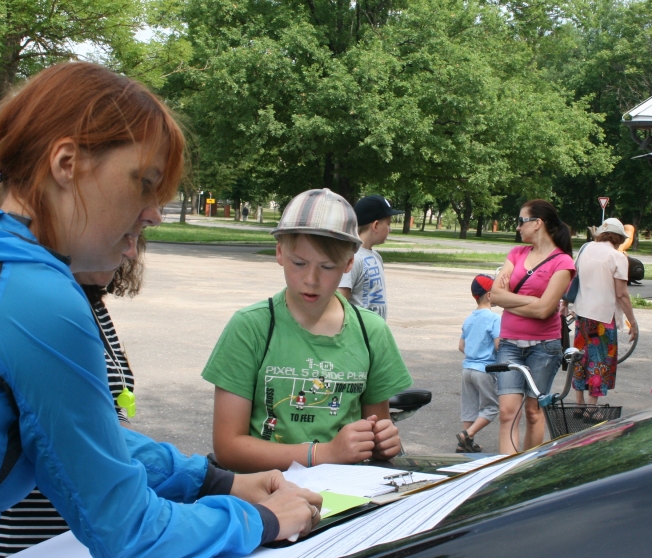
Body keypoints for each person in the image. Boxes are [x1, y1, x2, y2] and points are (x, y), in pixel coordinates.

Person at [0, 62, 321, 558]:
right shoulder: (35, 292)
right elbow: (127, 532)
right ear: (67, 163)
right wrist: (266, 522)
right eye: (145, 183)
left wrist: (216, 480)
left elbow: (85, 437)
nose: (153, 214)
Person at [203, 188, 414, 472]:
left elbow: (376, 425)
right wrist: (322, 453)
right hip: (266, 498)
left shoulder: (371, 332)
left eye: (327, 267)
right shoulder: (250, 327)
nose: (311, 280)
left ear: (349, 263)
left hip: (343, 497)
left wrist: (381, 441)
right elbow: (229, 447)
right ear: (279, 252)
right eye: (299, 263)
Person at [0, 247, 144, 557]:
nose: (130, 250)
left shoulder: (90, 302)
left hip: (79, 527)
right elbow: (78, 436)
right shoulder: (44, 308)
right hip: (27, 539)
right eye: (126, 232)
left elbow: (110, 407)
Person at [490, 200, 575, 453]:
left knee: (533, 412)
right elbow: (494, 295)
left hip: (544, 348)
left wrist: (509, 302)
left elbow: (544, 311)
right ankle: (505, 471)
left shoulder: (563, 263)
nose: (518, 227)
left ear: (538, 223)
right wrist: (531, 300)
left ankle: (526, 468)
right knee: (507, 412)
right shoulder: (516, 254)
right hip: (509, 344)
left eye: (521, 221)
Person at [571, 218, 638, 416]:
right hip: (602, 317)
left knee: (580, 357)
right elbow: (621, 294)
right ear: (618, 238)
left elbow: (574, 277)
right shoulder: (617, 257)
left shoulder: (585, 248)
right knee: (599, 360)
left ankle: (579, 403)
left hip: (582, 313)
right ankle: (592, 407)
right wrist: (632, 322)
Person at [338, 194, 403, 320]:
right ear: (376, 225)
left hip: (375, 333)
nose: (390, 230)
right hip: (359, 334)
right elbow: (340, 303)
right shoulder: (353, 258)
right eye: (388, 224)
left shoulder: (377, 257)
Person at [456, 274, 501, 453]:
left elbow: (461, 346)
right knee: (491, 407)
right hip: (485, 369)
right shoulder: (494, 318)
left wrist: (474, 354)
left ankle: (465, 443)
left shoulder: (470, 318)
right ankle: (467, 434)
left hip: (468, 369)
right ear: (489, 295)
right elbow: (498, 345)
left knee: (470, 406)